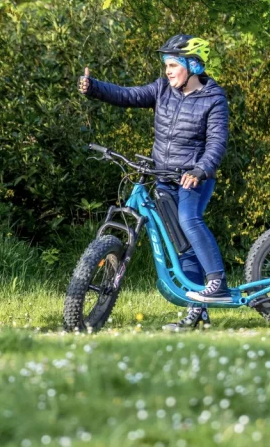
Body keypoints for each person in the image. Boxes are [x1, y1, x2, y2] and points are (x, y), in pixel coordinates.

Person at [79, 34, 229, 331]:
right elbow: (128, 95)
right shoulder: (163, 89)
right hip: (164, 178)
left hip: (193, 180)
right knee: (181, 244)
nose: (168, 71)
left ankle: (218, 282)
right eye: (166, 66)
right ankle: (197, 310)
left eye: (173, 65)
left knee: (189, 219)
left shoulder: (214, 98)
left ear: (193, 66)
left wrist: (200, 170)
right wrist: (93, 87)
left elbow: (216, 143)